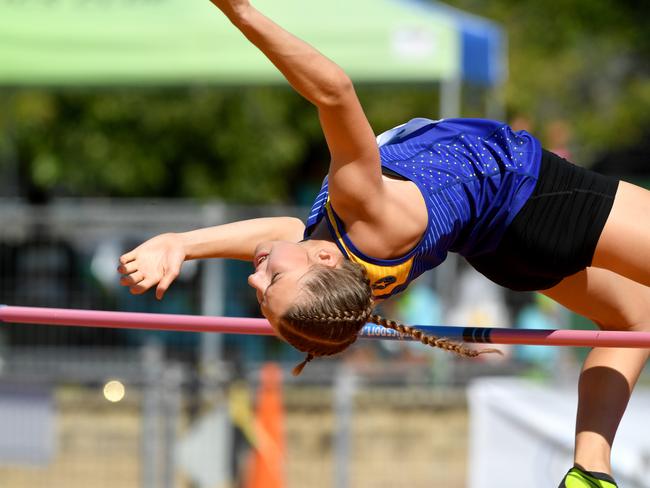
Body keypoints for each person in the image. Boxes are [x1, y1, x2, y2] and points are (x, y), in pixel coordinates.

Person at [117, 1, 650, 486]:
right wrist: (240, 12)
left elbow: (279, 236)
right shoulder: (360, 208)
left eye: (262, 288)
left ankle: (589, 473)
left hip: (505, 252)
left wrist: (182, 243)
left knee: (635, 321)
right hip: (536, 198)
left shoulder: (341, 257)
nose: (254, 275)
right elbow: (334, 91)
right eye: (270, 280)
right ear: (324, 260)